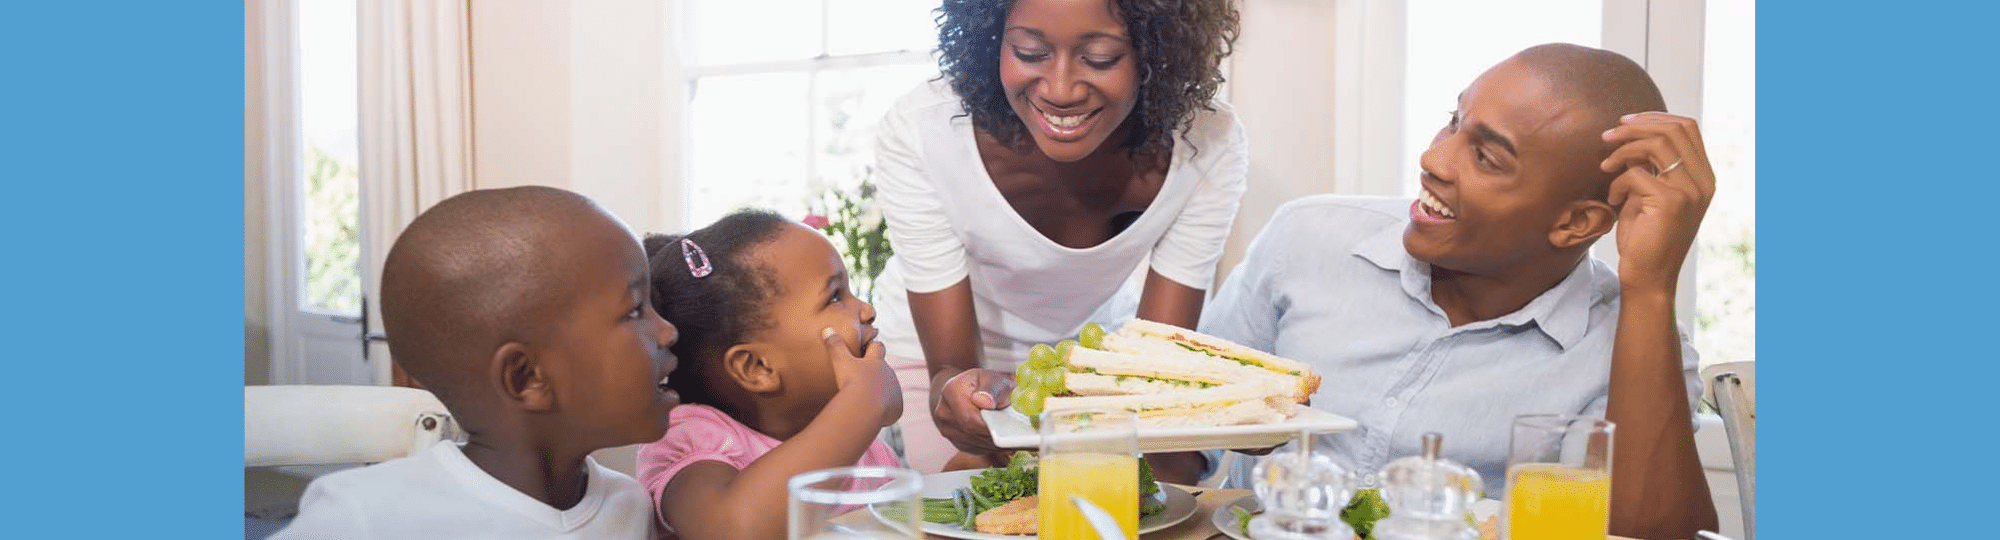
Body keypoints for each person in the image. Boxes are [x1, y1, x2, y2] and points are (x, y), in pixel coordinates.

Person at [1200, 43, 1720, 539]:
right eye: (1454, 121)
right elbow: (1180, 440)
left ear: (1576, 223)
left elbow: (1654, 535)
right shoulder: (1306, 238)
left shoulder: (1632, 350)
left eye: (1487, 157)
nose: (1434, 159)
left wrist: (1651, 287)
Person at [875, 0, 1244, 480]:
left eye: (1101, 58)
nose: (1060, 88)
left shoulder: (1208, 143)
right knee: (971, 500)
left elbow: (1154, 367)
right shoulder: (923, 130)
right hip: (929, 358)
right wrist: (958, 392)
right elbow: (950, 370)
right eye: (1029, 53)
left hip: (1092, 360)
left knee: (1147, 498)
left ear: (1158, 53)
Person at [272, 186, 679, 540]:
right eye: (634, 310)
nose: (668, 332)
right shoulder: (362, 517)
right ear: (527, 377)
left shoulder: (630, 507)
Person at [634, 209, 904, 540]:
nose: (866, 309)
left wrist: (961, 476)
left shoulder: (859, 440)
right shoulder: (694, 438)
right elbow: (733, 530)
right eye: (835, 297)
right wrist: (863, 405)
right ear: (756, 368)